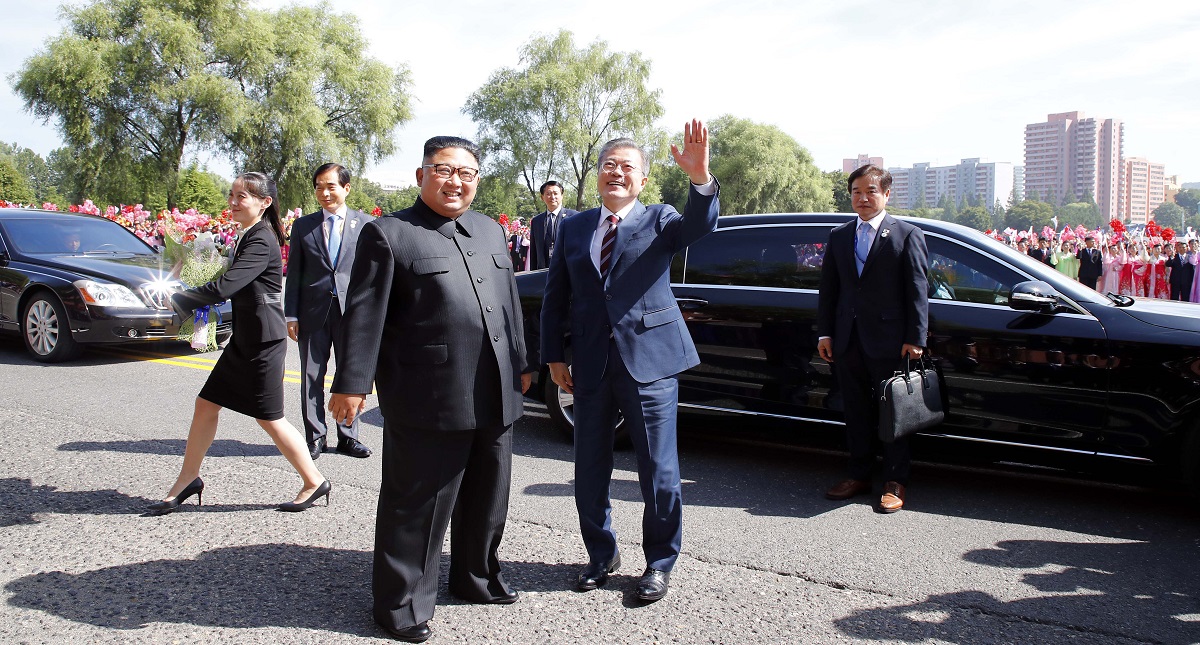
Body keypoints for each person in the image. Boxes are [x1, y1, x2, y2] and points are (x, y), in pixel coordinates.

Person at [327, 136, 532, 644]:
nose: (455, 181)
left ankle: (476, 576)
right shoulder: (390, 233)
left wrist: (522, 362)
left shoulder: (490, 230)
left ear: (477, 180)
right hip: (428, 393)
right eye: (444, 170)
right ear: (422, 175)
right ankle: (400, 605)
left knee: (489, 493)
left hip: (496, 385)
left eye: (466, 173)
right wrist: (351, 383)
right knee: (418, 503)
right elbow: (364, 315)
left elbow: (509, 301)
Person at [540, 120, 719, 602]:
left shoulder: (661, 219)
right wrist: (553, 356)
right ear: (597, 174)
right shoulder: (574, 226)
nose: (616, 173)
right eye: (609, 165)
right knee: (589, 466)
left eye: (627, 167)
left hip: (650, 362)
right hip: (590, 364)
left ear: (642, 179)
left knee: (658, 470)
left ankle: (659, 562)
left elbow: (700, 224)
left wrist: (700, 179)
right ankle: (601, 555)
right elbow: (556, 297)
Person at [150, 172, 328, 516]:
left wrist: (180, 298)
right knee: (206, 404)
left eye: (241, 196)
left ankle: (314, 480)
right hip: (246, 338)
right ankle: (188, 478)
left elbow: (227, 286)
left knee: (270, 418)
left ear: (265, 202)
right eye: (231, 195)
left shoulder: (261, 239)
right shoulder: (249, 234)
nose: (232, 202)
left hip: (263, 343)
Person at [817, 164, 929, 514]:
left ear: (886, 194)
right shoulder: (839, 235)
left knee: (894, 412)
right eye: (856, 192)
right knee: (855, 410)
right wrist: (826, 332)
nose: (863, 198)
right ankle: (859, 474)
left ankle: (895, 481)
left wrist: (915, 337)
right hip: (847, 340)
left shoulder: (907, 235)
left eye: (871, 192)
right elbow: (829, 289)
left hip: (891, 340)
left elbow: (917, 290)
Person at [283, 163, 372, 461]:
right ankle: (315, 437)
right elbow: (294, 273)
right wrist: (291, 314)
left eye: (331, 186)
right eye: (319, 187)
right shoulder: (303, 226)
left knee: (350, 375)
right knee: (311, 376)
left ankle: (348, 437)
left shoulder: (367, 225)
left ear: (346, 188)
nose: (325, 193)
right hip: (312, 313)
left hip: (352, 314)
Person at [527, 181, 579, 270]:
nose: (552, 197)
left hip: (567, 270)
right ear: (542, 197)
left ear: (562, 196)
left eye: (555, 193)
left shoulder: (574, 217)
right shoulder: (536, 221)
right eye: (548, 194)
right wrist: (533, 273)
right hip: (543, 271)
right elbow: (534, 251)